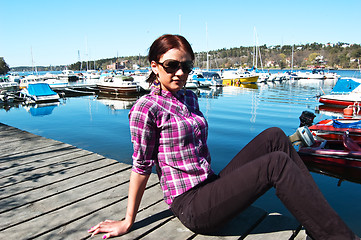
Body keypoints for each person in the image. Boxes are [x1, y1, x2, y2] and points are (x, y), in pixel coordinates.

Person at [88, 34, 359, 240]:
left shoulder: (189, 98)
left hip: (210, 184)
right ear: (155, 66)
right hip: (192, 206)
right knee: (275, 164)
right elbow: (141, 166)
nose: (180, 72)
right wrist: (128, 220)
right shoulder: (145, 109)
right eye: (172, 65)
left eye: (187, 66)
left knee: (275, 137)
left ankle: (318, 218)